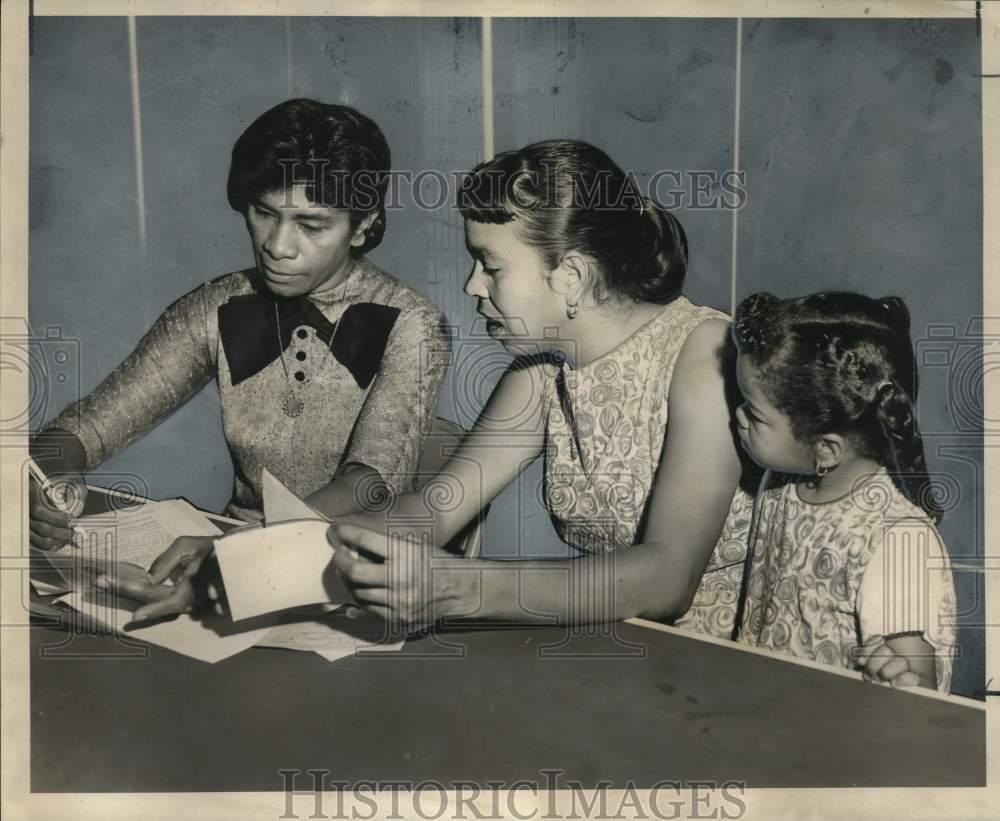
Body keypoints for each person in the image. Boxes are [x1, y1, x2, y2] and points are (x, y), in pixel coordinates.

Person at [29, 98, 450, 620]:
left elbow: (368, 485)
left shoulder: (413, 322)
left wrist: (240, 555)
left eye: (312, 225)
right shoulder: (216, 306)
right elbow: (85, 428)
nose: (277, 245)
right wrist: (45, 482)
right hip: (219, 563)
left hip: (354, 580)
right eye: (264, 213)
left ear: (363, 226)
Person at [330, 139, 750, 634]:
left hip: (735, 650)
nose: (472, 286)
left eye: (490, 266)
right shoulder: (541, 370)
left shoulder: (705, 354)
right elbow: (433, 511)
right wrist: (316, 544)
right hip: (618, 640)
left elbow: (666, 581)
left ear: (571, 275)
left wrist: (461, 588)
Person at [728, 291, 956, 691]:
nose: (738, 417)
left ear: (826, 449)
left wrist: (898, 678)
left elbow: (919, 685)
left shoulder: (900, 539)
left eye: (755, 413)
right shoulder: (783, 480)